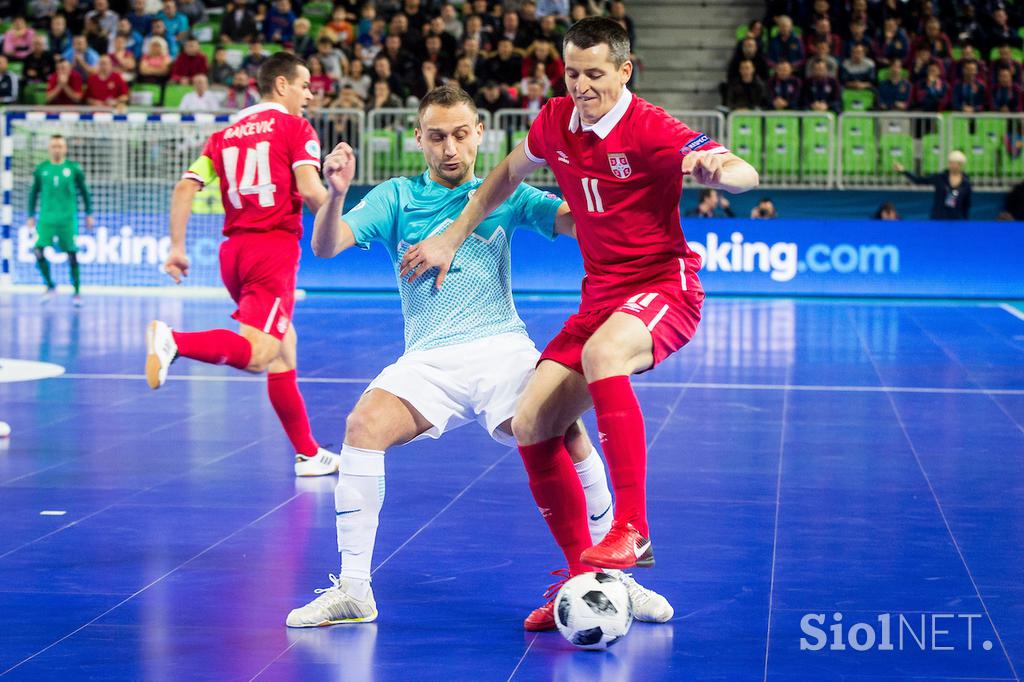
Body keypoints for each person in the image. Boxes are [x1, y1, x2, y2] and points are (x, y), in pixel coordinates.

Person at [398, 18, 758, 617]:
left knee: (603, 356)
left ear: (624, 70)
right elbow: (506, 176)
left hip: (663, 286)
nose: (583, 85)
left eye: (595, 73)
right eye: (573, 72)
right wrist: (453, 238)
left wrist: (719, 172)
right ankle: (582, 583)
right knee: (531, 421)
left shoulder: (652, 129)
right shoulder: (556, 119)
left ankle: (634, 527)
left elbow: (740, 170)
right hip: (599, 298)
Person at [285, 84, 671, 630]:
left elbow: (574, 220)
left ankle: (617, 579)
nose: (450, 148)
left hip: (502, 349)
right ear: (418, 137)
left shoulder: (506, 194)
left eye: (461, 135)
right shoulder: (396, 197)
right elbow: (325, 247)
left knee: (566, 431)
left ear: (479, 135)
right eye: (437, 136)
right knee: (362, 426)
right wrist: (335, 194)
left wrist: (610, 183)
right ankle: (353, 589)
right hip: (427, 358)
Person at [146, 53, 338, 477]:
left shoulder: (224, 136)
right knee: (259, 353)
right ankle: (174, 340)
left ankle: (308, 453)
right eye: (305, 86)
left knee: (283, 351)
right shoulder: (296, 127)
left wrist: (177, 248)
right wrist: (349, 226)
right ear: (282, 85)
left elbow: (184, 188)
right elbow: (310, 189)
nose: (309, 94)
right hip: (272, 251)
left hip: (232, 254)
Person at [27, 135, 93, 306]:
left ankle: (77, 292)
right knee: (38, 251)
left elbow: (84, 192)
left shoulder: (73, 169)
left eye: (60, 146)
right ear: (49, 148)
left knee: (72, 254)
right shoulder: (42, 169)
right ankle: (50, 286)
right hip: (46, 219)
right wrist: (30, 215)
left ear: (65, 148)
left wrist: (89, 213)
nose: (57, 149)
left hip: (67, 220)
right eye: (54, 146)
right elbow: (33, 193)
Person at [893, 150, 971, 220]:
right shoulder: (940, 178)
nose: (951, 165)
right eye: (950, 162)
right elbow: (919, 180)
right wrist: (903, 171)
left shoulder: (965, 183)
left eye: (954, 163)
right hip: (939, 217)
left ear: (961, 165)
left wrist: (965, 221)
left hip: (956, 219)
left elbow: (966, 204)